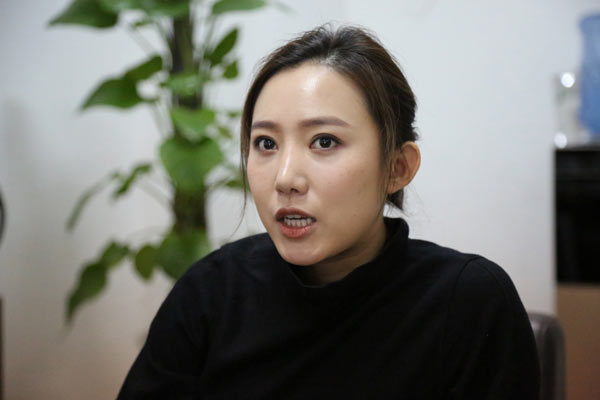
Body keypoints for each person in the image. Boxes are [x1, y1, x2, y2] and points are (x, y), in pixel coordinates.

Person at [117, 25, 540, 399]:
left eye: (324, 141)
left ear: (397, 167)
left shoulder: (467, 303)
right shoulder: (210, 294)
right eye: (266, 143)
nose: (285, 178)